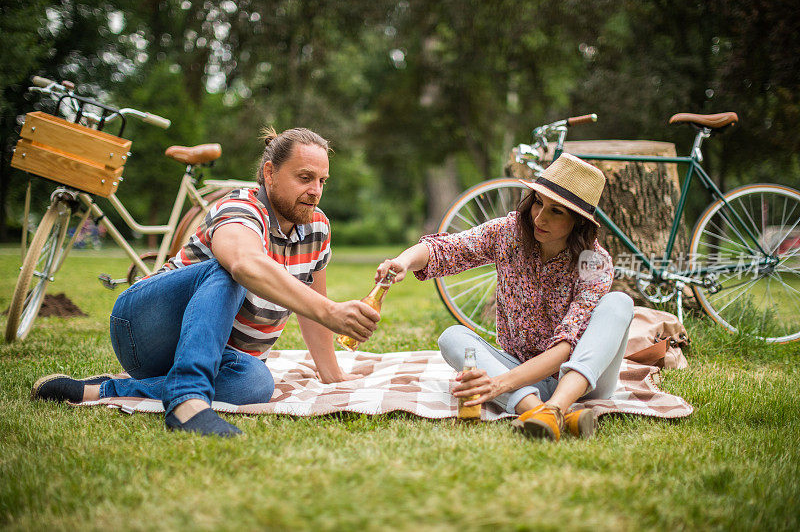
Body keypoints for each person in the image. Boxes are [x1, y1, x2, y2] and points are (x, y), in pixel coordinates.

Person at [32, 127, 381, 437]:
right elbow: (244, 263)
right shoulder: (240, 208)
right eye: (305, 178)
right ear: (270, 173)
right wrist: (331, 311)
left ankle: (109, 389)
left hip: (214, 353)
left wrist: (332, 373)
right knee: (230, 269)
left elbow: (311, 311)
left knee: (255, 383)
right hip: (144, 326)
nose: (316, 190)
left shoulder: (317, 228)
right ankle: (187, 400)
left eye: (322, 181)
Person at [376, 153, 634, 441]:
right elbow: (446, 250)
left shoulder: (594, 262)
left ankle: (557, 406)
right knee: (452, 337)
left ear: (579, 222)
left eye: (557, 211)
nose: (540, 216)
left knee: (619, 303)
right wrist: (403, 261)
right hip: (521, 370)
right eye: (538, 202)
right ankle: (545, 414)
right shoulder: (509, 232)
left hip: (582, 380)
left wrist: (498, 384)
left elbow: (565, 348)